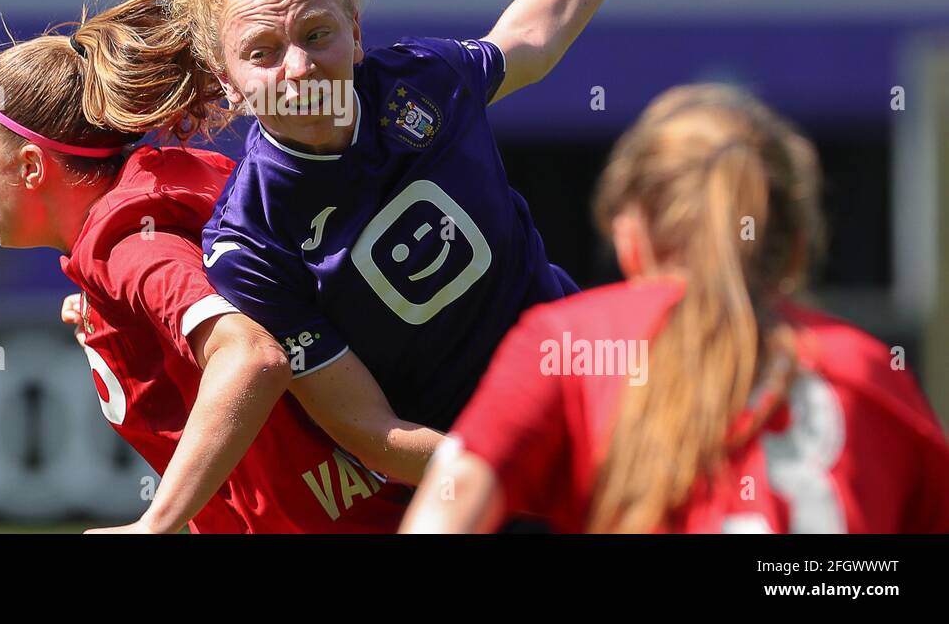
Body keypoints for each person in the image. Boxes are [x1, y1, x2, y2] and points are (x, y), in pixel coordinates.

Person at [102, 0, 683, 432]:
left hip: (591, 380)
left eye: (316, 34)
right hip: (468, 471)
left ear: (355, 32)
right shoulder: (252, 242)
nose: (299, 67)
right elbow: (371, 432)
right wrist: (513, 461)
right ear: (225, 78)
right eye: (262, 52)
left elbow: (529, 41)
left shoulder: (419, 81)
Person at [0, 0, 438, 533]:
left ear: (32, 167)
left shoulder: (128, 243)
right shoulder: (146, 208)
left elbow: (252, 357)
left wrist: (152, 525)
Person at [400, 84, 949, 533]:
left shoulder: (570, 347)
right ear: (799, 246)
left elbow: (449, 510)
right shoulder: (875, 375)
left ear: (629, 238)